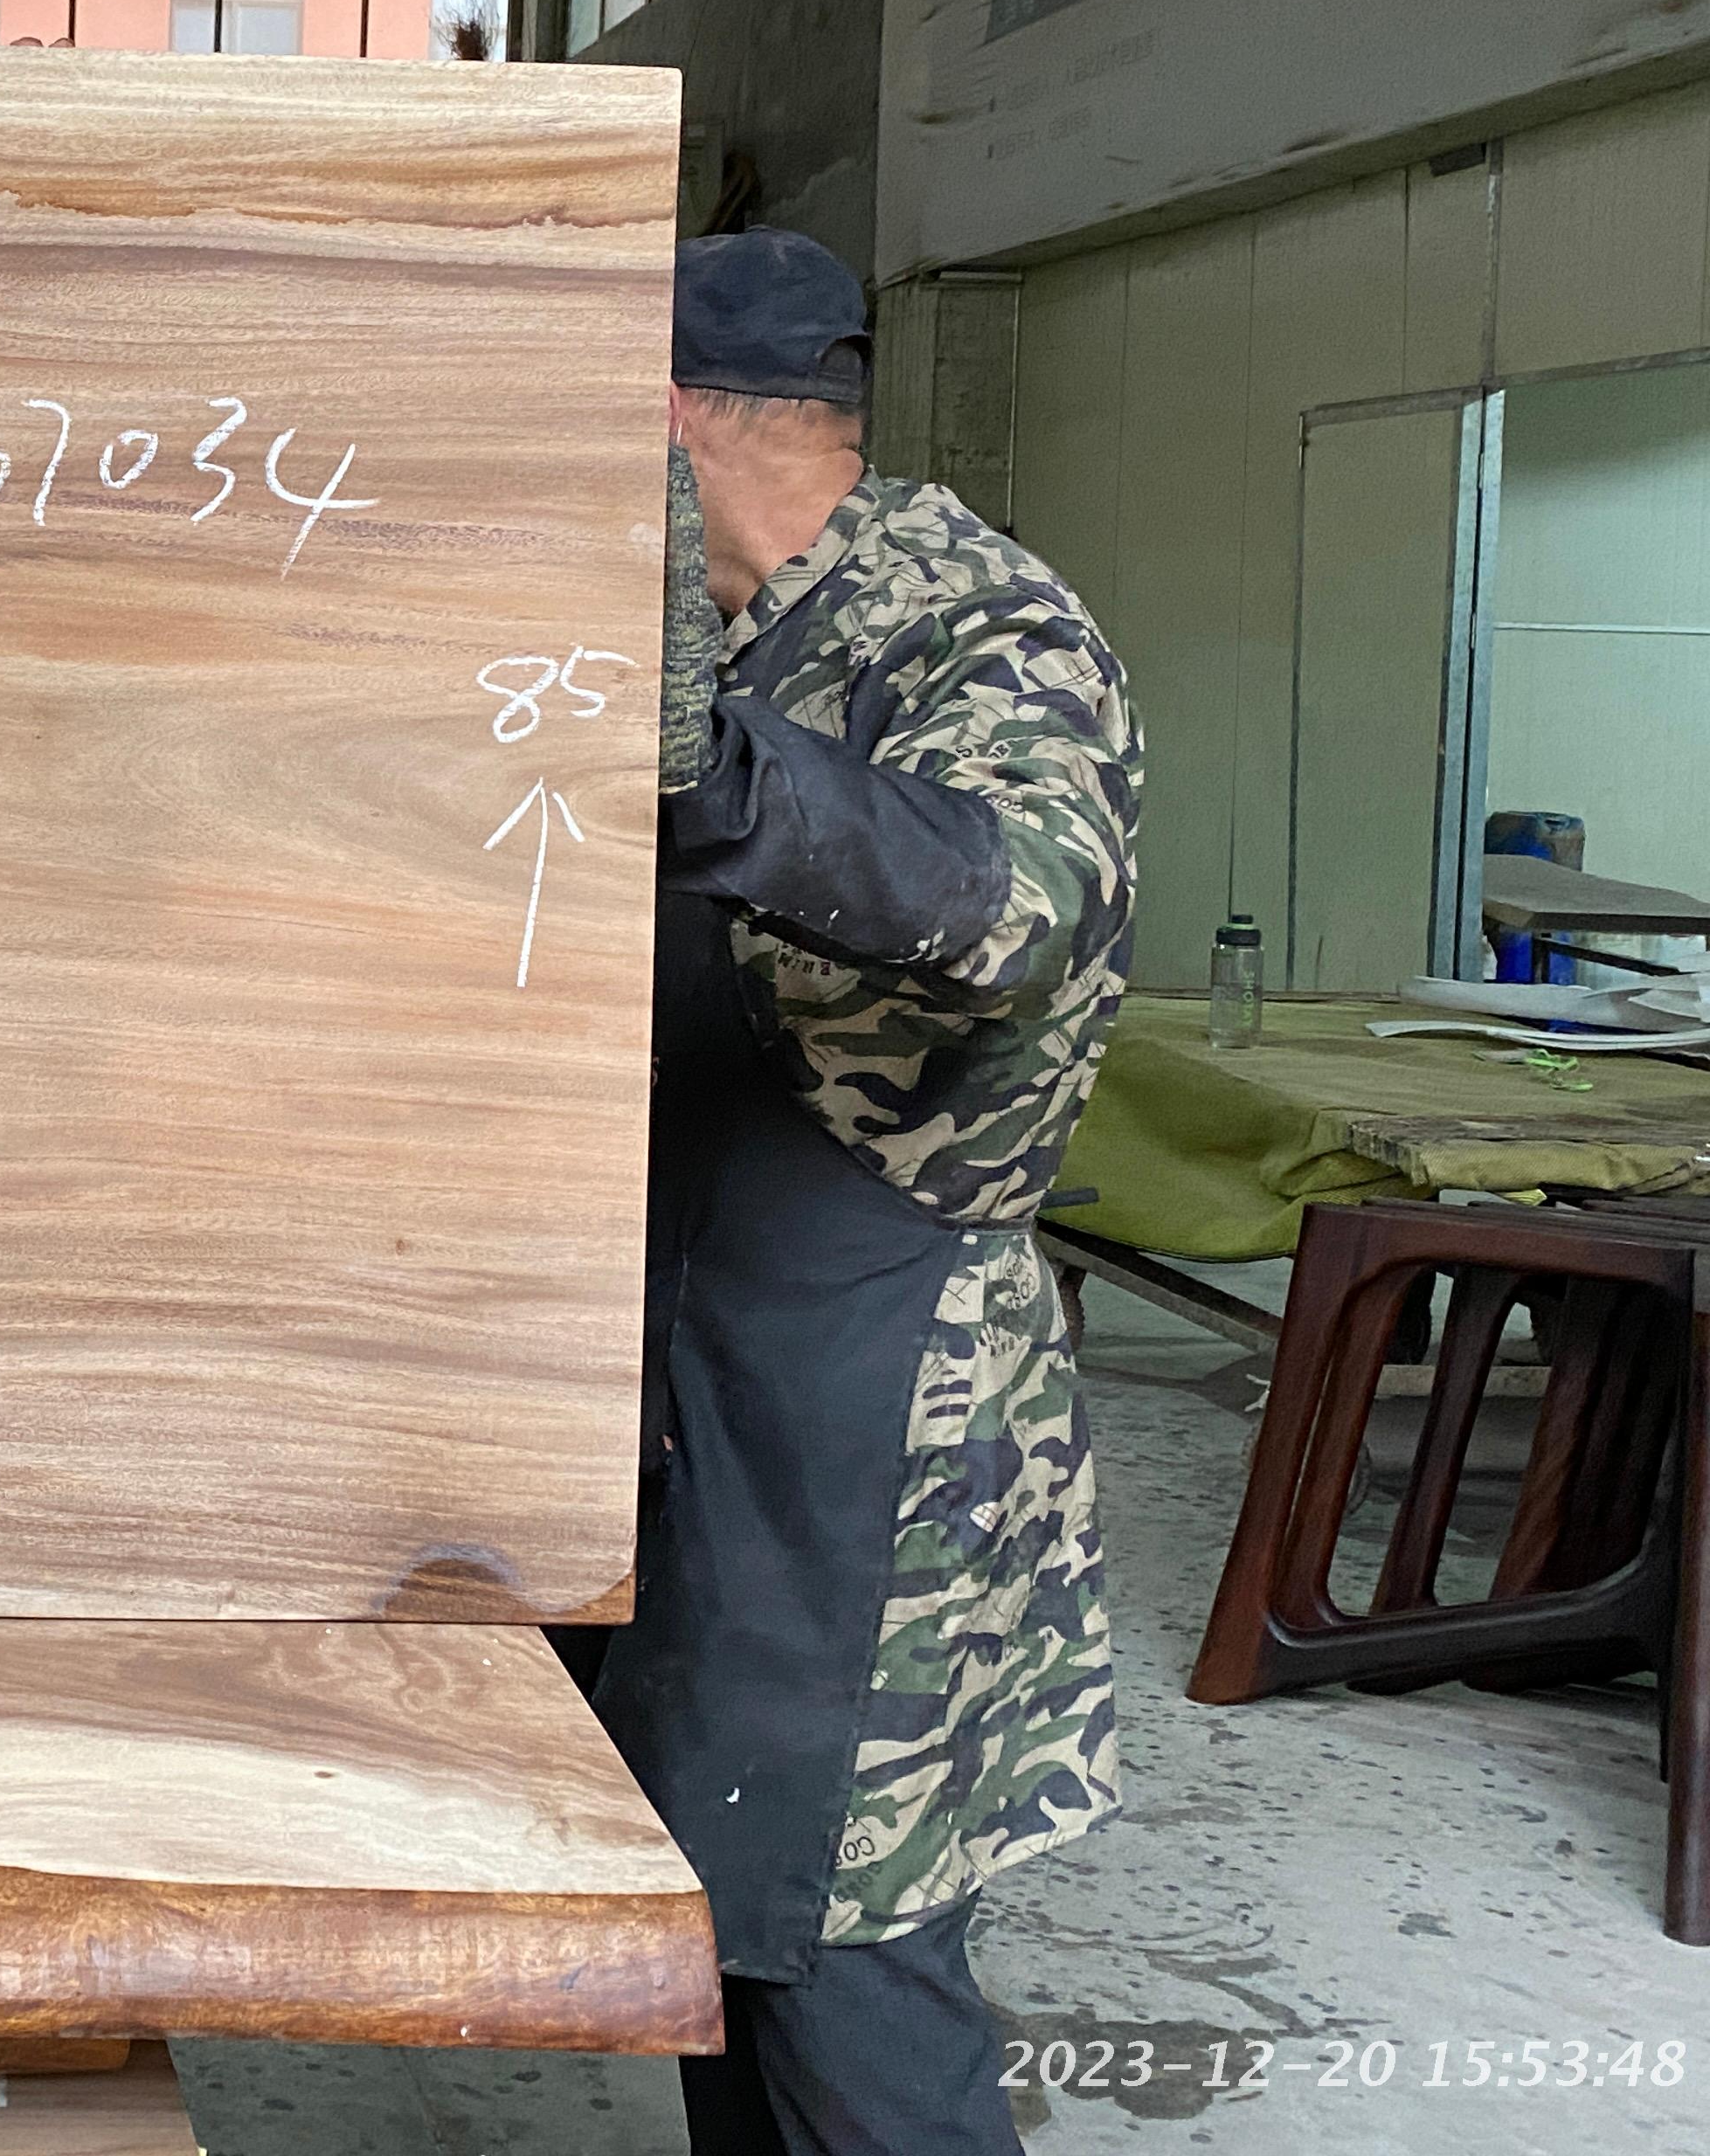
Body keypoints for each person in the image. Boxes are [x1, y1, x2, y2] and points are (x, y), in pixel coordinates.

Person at [597, 227, 1140, 2156]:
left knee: (843, 1959)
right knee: (719, 1920)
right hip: (700, 1347)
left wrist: (716, 773)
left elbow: (1015, 901)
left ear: (665, 420)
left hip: (875, 1387)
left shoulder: (971, 624)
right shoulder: (741, 625)